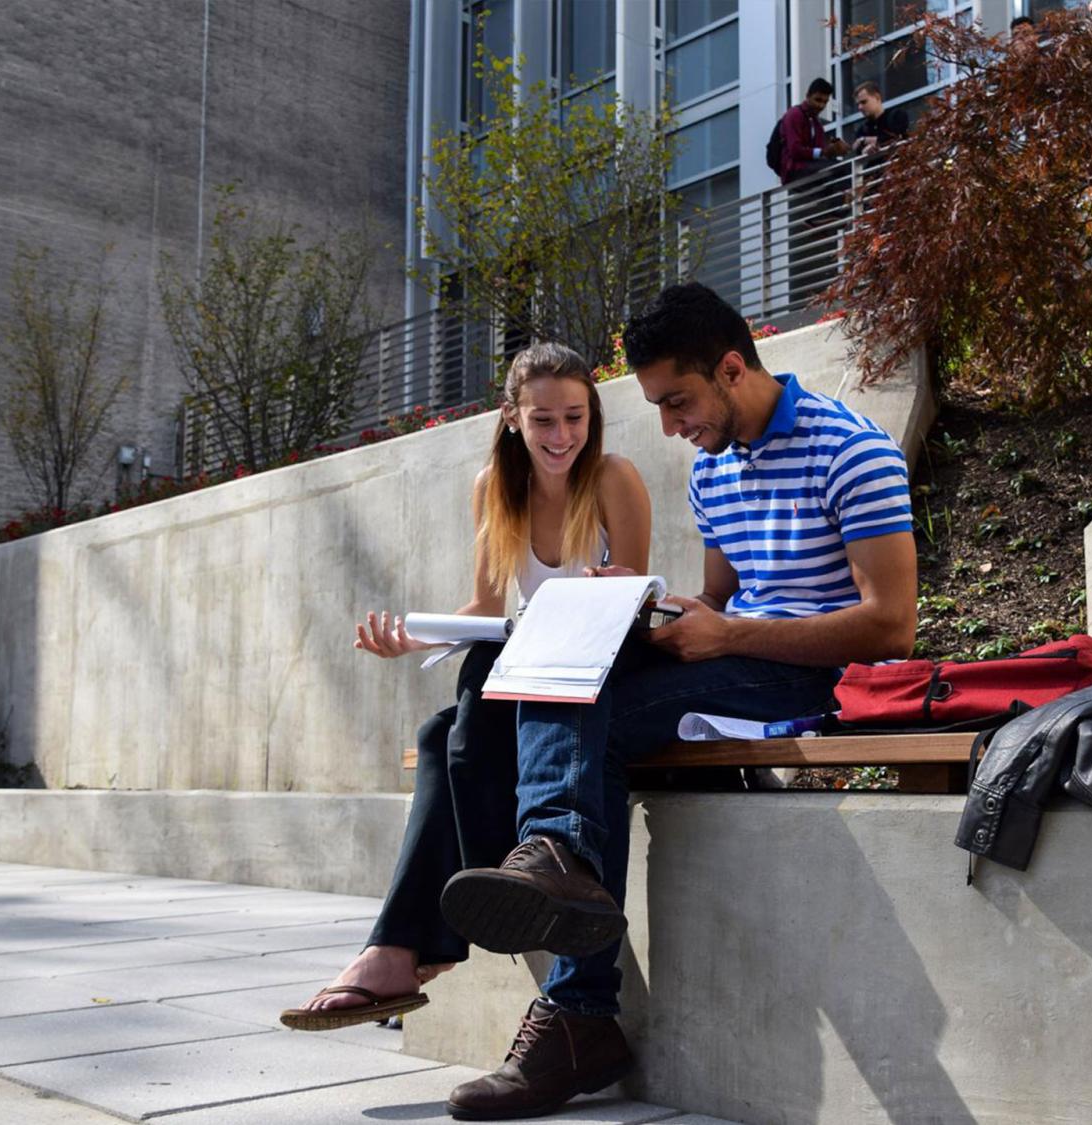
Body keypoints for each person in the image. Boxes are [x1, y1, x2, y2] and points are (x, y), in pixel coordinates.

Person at [438, 282, 918, 1119]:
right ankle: (561, 885)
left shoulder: (853, 452)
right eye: (658, 406)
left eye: (677, 401)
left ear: (733, 369)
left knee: (598, 715)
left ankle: (573, 982)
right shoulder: (714, 470)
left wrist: (727, 635)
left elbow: (890, 627)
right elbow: (722, 604)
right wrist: (651, 615)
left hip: (818, 675)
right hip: (742, 660)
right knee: (566, 655)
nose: (668, 426)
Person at [279, 341, 651, 1036]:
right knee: (441, 724)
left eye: (575, 417)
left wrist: (611, 586)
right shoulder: (493, 486)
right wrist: (417, 638)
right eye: (543, 420)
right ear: (512, 416)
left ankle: (410, 946)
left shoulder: (613, 477)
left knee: (468, 704)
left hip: (597, 666)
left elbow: (636, 600)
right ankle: (431, 931)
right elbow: (484, 608)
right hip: (528, 668)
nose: (561, 435)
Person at [777, 77, 845, 186]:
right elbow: (795, 150)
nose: (821, 106)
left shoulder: (816, 122)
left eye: (825, 102)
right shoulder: (794, 114)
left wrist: (833, 150)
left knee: (842, 170)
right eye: (818, 100)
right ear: (808, 96)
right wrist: (824, 152)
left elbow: (818, 152)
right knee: (843, 169)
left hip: (807, 168)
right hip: (795, 170)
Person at [850, 80, 909, 170]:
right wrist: (865, 152)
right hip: (876, 176)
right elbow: (857, 155)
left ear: (877, 97)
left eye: (864, 102)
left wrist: (866, 140)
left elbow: (897, 137)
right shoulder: (862, 130)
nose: (860, 107)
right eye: (858, 104)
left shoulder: (896, 115)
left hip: (901, 169)